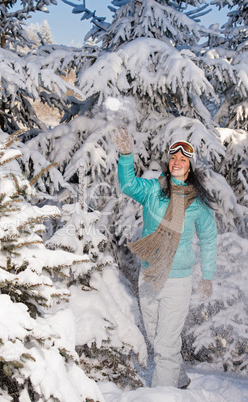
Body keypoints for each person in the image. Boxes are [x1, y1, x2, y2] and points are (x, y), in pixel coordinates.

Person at [111, 128, 217, 389]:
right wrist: (126, 156)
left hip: (178, 280)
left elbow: (209, 239)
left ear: (190, 167)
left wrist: (207, 276)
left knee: (166, 345)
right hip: (149, 274)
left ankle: (162, 395)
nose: (177, 162)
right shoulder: (152, 190)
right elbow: (127, 184)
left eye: (183, 159)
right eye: (173, 158)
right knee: (156, 336)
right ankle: (179, 381)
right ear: (169, 163)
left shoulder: (197, 203)